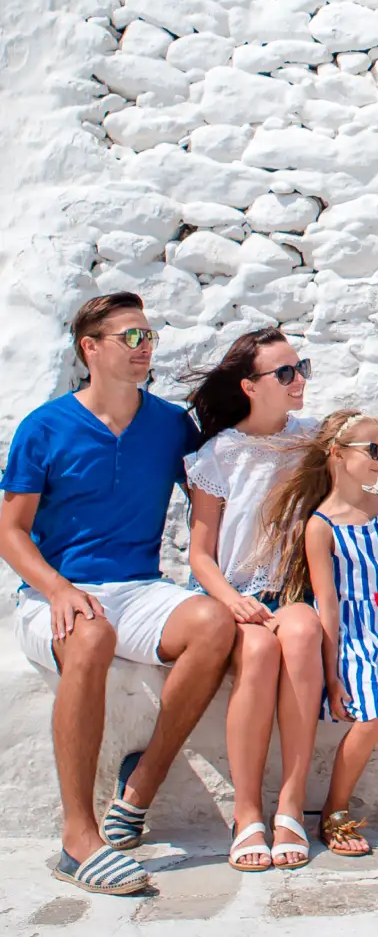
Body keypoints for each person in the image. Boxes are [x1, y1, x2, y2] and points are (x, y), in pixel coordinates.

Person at [0, 293, 235, 895]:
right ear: (92, 348)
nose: (145, 347)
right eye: (131, 337)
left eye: (149, 336)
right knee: (91, 631)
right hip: (51, 593)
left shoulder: (169, 425)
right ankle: (78, 839)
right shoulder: (45, 427)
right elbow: (11, 530)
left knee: (213, 624)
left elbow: (217, 493)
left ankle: (141, 786)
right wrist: (54, 588)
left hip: (139, 589)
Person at [257, 409, 378, 855]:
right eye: (372, 450)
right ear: (337, 453)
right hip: (353, 635)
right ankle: (334, 810)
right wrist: (332, 677)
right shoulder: (320, 526)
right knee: (375, 713)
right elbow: (326, 605)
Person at [183, 328, 322, 871]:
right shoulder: (218, 455)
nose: (299, 380)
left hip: (291, 592)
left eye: (301, 367)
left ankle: (290, 803)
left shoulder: (313, 439)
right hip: (232, 594)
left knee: (304, 633)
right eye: (285, 373)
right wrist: (231, 602)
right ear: (249, 385)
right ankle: (247, 814)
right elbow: (200, 553)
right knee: (259, 652)